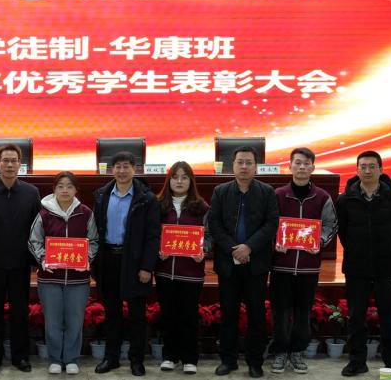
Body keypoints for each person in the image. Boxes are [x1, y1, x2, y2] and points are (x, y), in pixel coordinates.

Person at [207, 145, 278, 378]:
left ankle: (255, 361)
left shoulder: (267, 192)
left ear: (256, 166)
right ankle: (228, 360)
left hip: (256, 264)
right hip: (228, 264)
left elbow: (271, 223)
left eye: (249, 162)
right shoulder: (220, 191)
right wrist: (233, 249)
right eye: (240, 162)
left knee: (256, 315)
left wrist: (249, 247)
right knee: (229, 314)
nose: (244, 167)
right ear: (233, 165)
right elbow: (214, 223)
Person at [337, 150, 391, 379]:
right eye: (363, 167)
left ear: (381, 169)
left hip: (387, 268)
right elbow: (343, 233)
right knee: (356, 317)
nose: (367, 171)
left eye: (372, 166)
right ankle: (357, 362)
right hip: (356, 268)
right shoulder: (345, 200)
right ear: (357, 170)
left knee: (389, 319)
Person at [92, 152, 161, 377]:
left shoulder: (147, 198)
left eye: (126, 166)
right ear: (111, 169)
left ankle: (136, 360)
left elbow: (153, 236)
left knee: (136, 315)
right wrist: (95, 265)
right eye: (117, 166)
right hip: (108, 260)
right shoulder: (102, 195)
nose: (121, 171)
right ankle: (111, 358)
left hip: (134, 262)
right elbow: (95, 231)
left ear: (135, 169)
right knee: (111, 313)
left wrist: (147, 267)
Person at [269, 148, 338, 375]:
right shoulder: (278, 195)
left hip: (309, 267)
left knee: (302, 312)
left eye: (306, 163)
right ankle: (280, 352)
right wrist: (275, 241)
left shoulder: (322, 197)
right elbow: (269, 224)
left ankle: (297, 352)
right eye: (297, 163)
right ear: (290, 166)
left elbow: (330, 225)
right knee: (280, 312)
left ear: (313, 167)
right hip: (281, 265)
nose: (301, 167)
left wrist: (320, 240)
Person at [0, 144, 41, 373]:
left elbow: (36, 230)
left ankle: (20, 356)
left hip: (21, 264)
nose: (10, 165)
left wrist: (34, 259)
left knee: (20, 311)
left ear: (20, 164)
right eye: (6, 160)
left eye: (14, 161)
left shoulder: (31, 192)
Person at [27, 171, 98, 375]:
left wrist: (87, 259)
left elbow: (94, 240)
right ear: (54, 190)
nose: (65, 190)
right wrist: (43, 259)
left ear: (76, 190)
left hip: (78, 279)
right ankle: (56, 359)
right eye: (60, 186)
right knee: (53, 321)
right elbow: (34, 240)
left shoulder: (85, 213)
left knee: (75, 321)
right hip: (50, 278)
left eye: (69, 186)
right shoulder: (44, 214)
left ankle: (72, 359)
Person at [153, 162, 209, 375]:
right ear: (169, 181)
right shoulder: (158, 205)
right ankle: (169, 356)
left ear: (191, 181)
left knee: (188, 316)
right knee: (168, 315)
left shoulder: (201, 207)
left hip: (191, 272)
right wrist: (158, 249)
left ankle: (189, 358)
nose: (179, 181)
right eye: (175, 177)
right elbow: (152, 234)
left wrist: (204, 249)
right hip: (165, 271)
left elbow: (210, 235)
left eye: (184, 177)